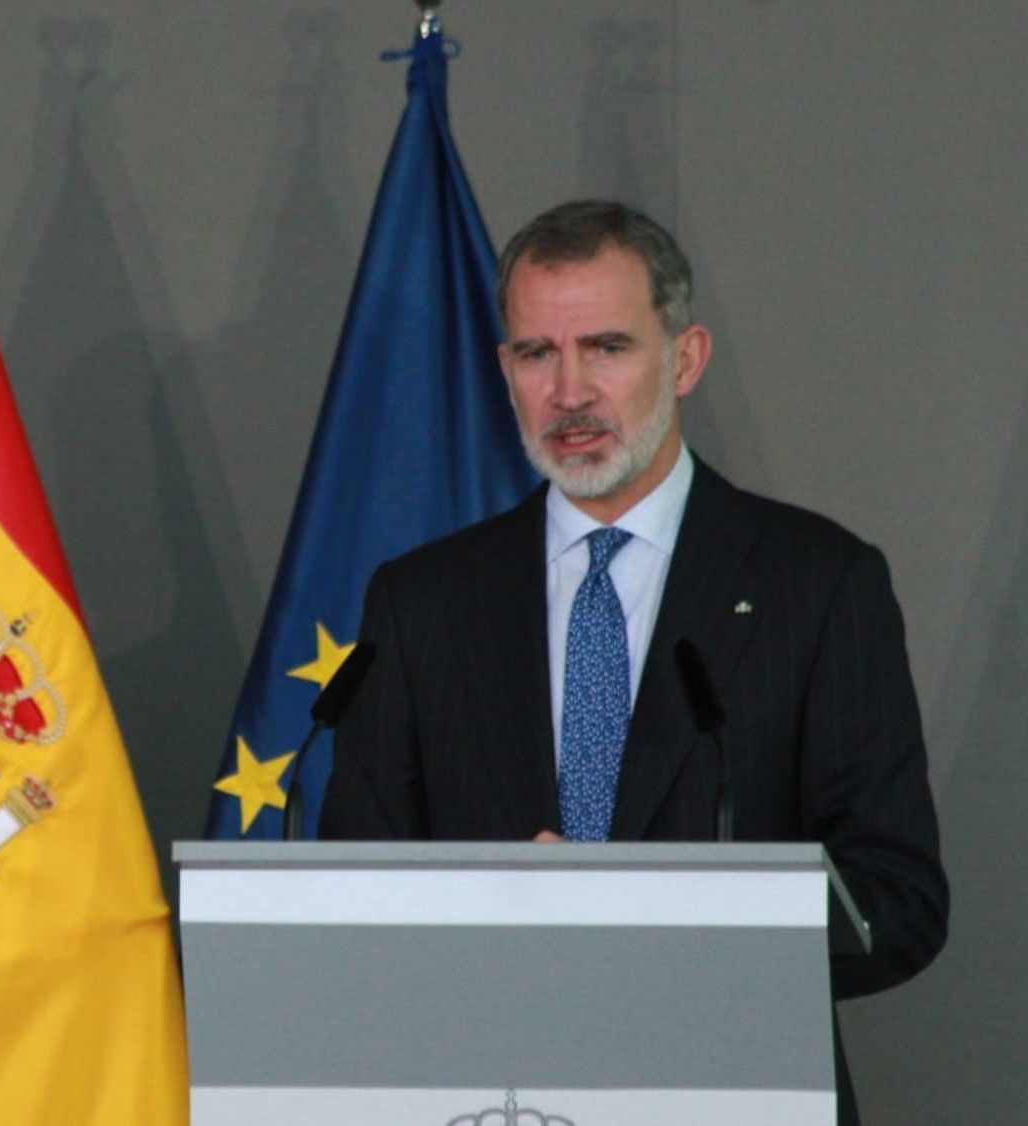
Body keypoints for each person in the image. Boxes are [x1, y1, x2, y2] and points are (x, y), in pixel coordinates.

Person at [318, 200, 947, 1122]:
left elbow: (898, 900)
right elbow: (356, 885)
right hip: (486, 1090)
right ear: (505, 370)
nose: (569, 393)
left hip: (733, 1091)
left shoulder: (818, 584)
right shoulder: (422, 603)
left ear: (684, 359)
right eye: (537, 354)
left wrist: (674, 927)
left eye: (606, 348)